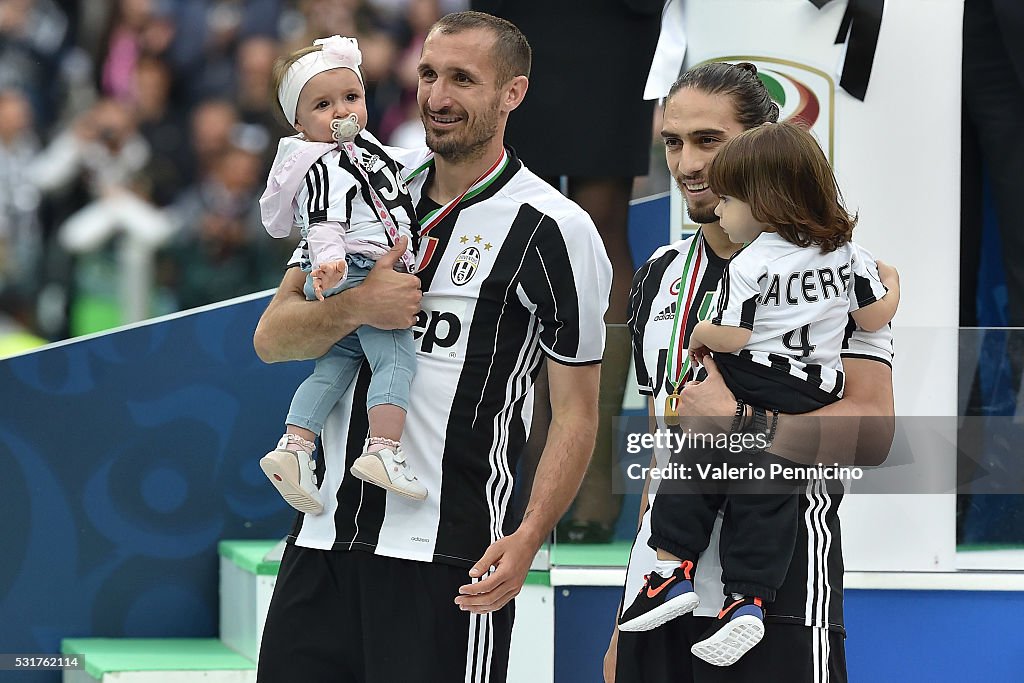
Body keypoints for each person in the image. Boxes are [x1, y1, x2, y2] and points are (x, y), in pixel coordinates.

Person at [255, 11, 612, 682]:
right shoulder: (366, 185)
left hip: (448, 555)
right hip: (324, 539)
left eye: (462, 79)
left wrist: (531, 534)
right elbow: (272, 337)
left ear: (513, 94)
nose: (438, 97)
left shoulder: (557, 229)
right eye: (427, 75)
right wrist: (359, 305)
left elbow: (576, 412)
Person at [607, 62, 897, 683]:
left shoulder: (840, 272)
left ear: (764, 145)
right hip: (660, 599)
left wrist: (744, 423)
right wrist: (624, 610)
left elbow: (873, 435)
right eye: (674, 142)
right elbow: (666, 448)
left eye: (710, 141)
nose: (688, 164)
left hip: (785, 597)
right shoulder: (659, 272)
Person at [471, 0, 663, 543]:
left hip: (610, 24)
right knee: (514, 218)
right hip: (518, 19)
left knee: (598, 225)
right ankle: (522, 464)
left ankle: (587, 478)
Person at [257, 34, 425, 513]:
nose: (341, 112)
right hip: (354, 267)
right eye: (323, 105)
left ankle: (293, 447)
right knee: (395, 359)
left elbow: (396, 176)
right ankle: (384, 450)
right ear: (298, 123)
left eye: (351, 98)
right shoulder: (325, 161)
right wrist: (332, 265)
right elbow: (324, 221)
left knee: (336, 363)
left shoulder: (362, 150)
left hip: (346, 267)